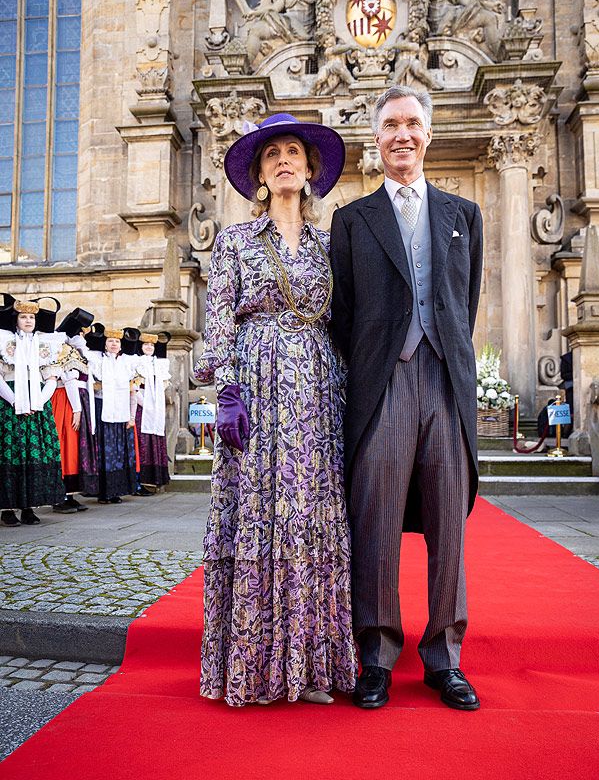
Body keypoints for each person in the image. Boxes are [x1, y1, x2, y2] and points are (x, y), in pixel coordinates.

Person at [195, 112, 357, 707]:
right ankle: (256, 667)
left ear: (311, 169)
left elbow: (347, 324)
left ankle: (310, 667)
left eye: (295, 151)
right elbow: (218, 321)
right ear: (260, 175)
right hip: (256, 391)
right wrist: (227, 393)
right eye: (272, 155)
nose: (285, 160)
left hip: (317, 393)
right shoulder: (236, 242)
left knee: (311, 513)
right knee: (258, 513)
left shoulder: (330, 245)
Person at [330, 86, 483, 711]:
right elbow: (342, 317)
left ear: (429, 134)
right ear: (376, 137)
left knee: (449, 526)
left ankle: (444, 658)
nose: (402, 134)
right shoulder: (351, 218)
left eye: (413, 124)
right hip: (382, 385)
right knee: (375, 523)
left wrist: (444, 355)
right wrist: (378, 362)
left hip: (444, 381)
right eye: (390, 124)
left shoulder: (463, 214)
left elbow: (463, 304)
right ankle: (376, 656)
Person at [0, 298, 66, 526]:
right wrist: (14, 400)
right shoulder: (4, 341)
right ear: (16, 320)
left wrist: (37, 401)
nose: (28, 320)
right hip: (10, 401)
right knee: (11, 451)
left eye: (31, 317)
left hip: (37, 402)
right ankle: (7, 508)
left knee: (34, 452)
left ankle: (29, 506)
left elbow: (52, 378)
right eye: (23, 317)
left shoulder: (45, 344)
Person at [69, 325, 138, 504]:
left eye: (117, 341)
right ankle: (103, 492)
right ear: (105, 344)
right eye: (110, 341)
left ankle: (117, 491)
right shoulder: (97, 359)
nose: (114, 344)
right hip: (103, 407)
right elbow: (83, 352)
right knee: (104, 449)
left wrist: (132, 416)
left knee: (118, 450)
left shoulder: (127, 362)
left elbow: (133, 391)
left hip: (121, 410)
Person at [52, 307, 98, 512]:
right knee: (66, 444)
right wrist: (77, 409)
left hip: (78, 400)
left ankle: (69, 493)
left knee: (74, 447)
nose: (82, 337)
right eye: (80, 333)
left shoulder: (78, 352)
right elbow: (69, 379)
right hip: (67, 400)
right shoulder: (63, 350)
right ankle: (59, 494)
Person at [133, 332, 171, 491]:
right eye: (146, 344)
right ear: (141, 347)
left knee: (155, 438)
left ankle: (155, 478)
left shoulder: (159, 364)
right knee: (142, 441)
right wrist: (145, 404)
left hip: (156, 408)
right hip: (142, 407)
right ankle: (140, 480)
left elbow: (163, 386)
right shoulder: (137, 362)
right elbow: (134, 387)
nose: (149, 347)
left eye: (151, 345)